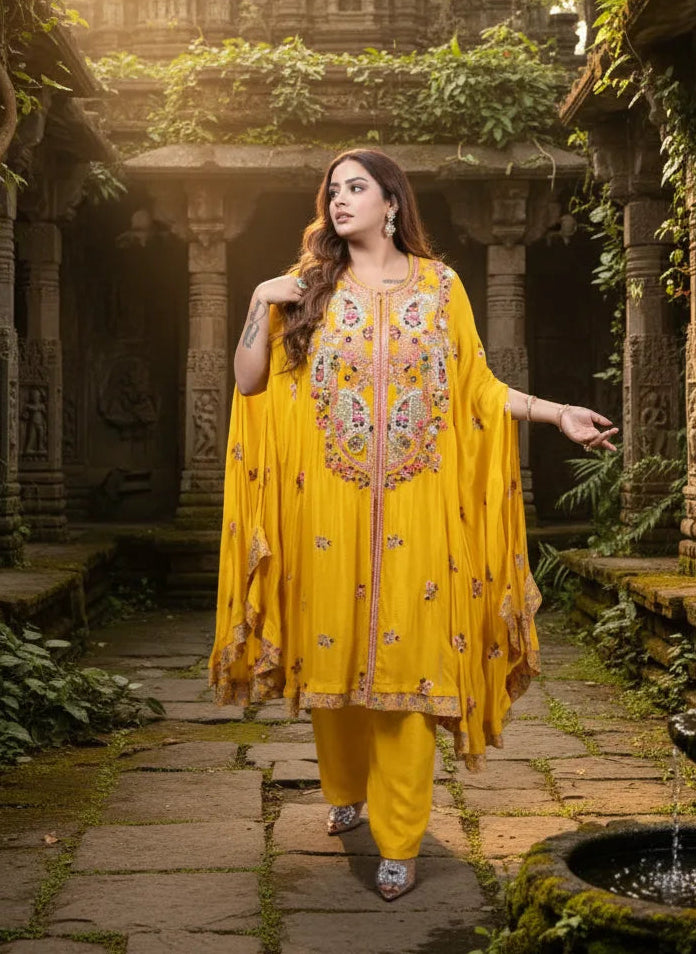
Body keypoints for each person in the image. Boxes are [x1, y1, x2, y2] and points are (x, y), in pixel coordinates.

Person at [209, 149, 618, 901]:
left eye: (356, 188)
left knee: (411, 669)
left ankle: (399, 840)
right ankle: (345, 792)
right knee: (334, 666)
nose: (340, 200)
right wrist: (257, 303)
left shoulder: (441, 286)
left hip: (419, 506)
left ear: (392, 202)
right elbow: (248, 381)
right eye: (332, 190)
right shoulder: (308, 288)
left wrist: (557, 412)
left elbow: (477, 387)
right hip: (325, 506)